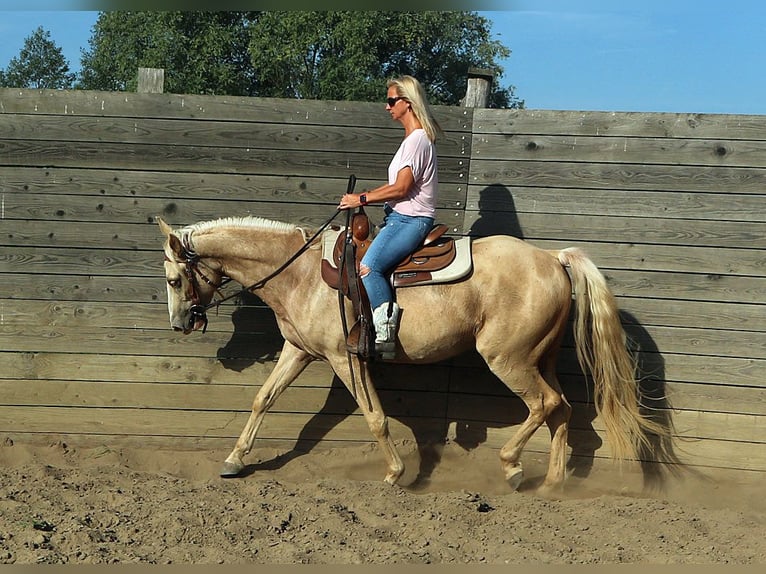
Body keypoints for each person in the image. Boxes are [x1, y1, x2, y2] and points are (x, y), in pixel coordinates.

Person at [339, 75, 442, 357]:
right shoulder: (413, 140)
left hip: (411, 220)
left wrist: (359, 199)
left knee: (369, 267)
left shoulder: (417, 140)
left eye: (391, 101)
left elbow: (401, 188)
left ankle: (385, 335)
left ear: (407, 103)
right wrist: (367, 196)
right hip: (399, 218)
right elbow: (396, 187)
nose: (387, 107)